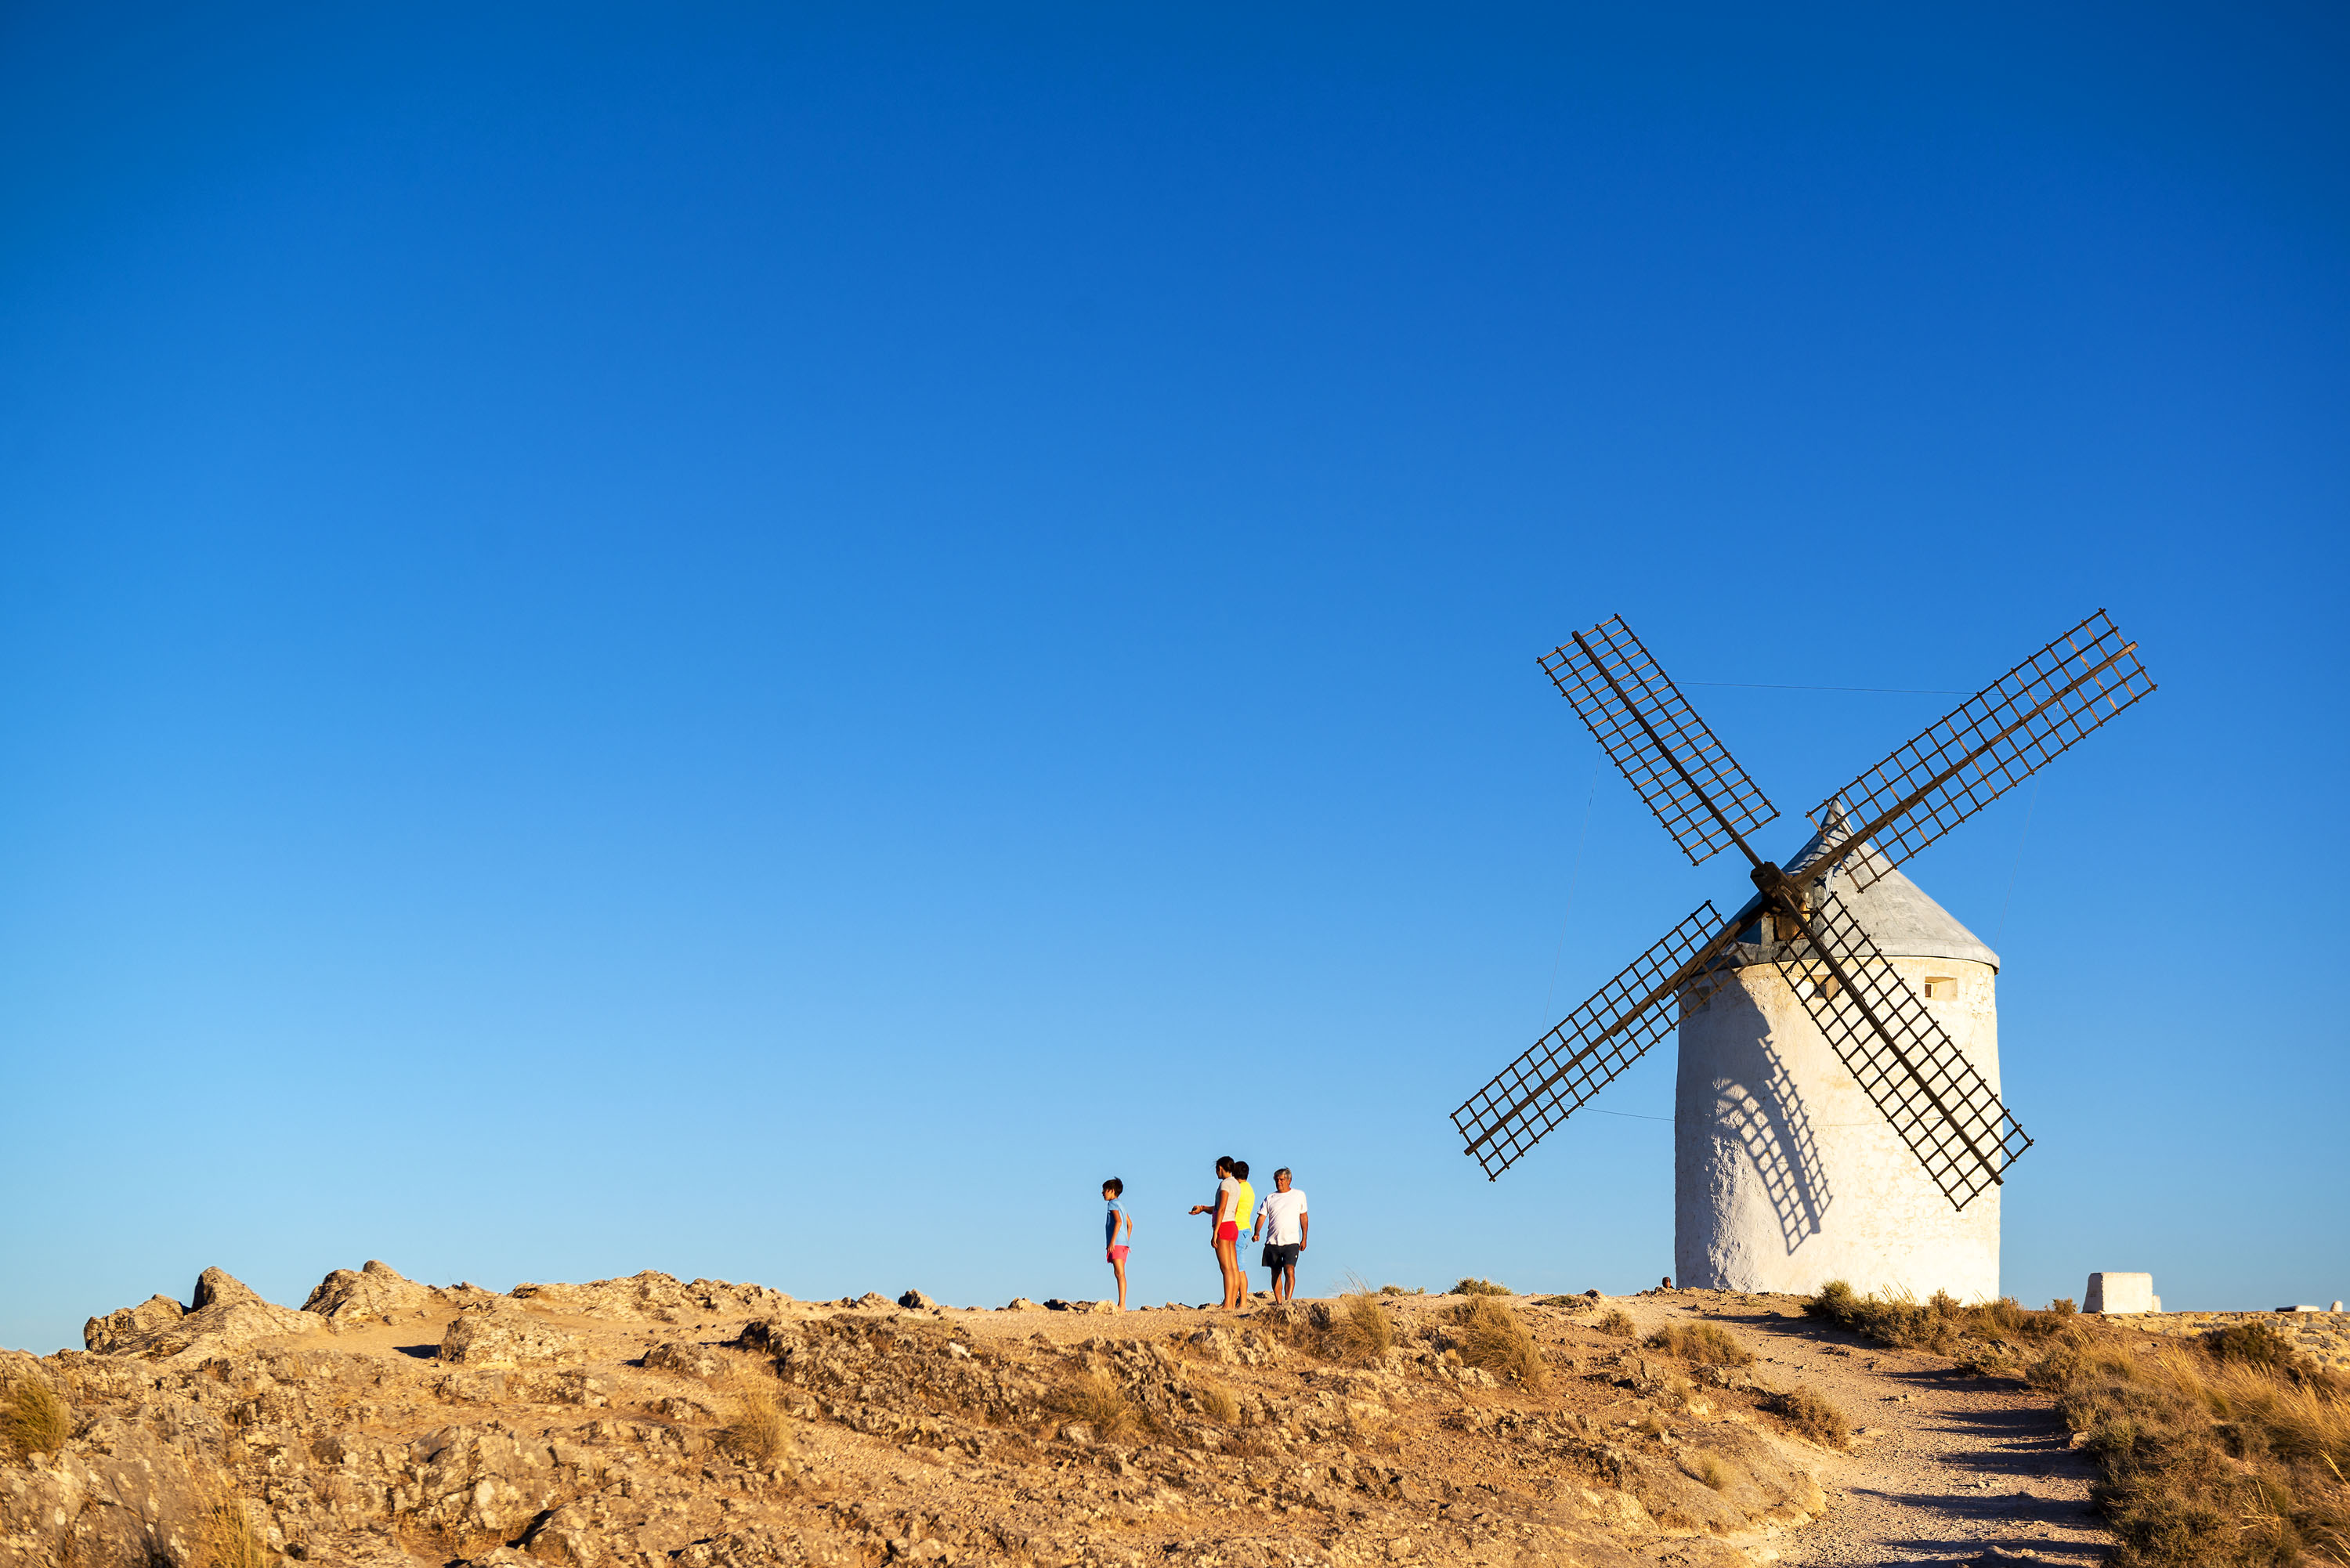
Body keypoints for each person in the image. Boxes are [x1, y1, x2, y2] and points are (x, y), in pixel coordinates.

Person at [1188, 1157, 1242, 1310]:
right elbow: (1228, 1208)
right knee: (1233, 1267)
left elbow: (1222, 1208)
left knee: (1226, 1268)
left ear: (1220, 1168)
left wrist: (1215, 1231)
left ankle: (1229, 1303)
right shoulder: (1236, 1185)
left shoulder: (1225, 1184)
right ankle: (1231, 1302)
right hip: (1232, 1224)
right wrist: (1204, 1208)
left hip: (1224, 1226)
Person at [1252, 1167, 1309, 1302]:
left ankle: (1288, 1300)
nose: (1279, 1182)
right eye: (1277, 1180)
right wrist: (1257, 1232)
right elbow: (1261, 1217)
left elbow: (1304, 1218)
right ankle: (1279, 1302)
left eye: (1282, 1179)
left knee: (1290, 1270)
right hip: (1273, 1242)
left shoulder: (1299, 1195)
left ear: (1289, 1180)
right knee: (1275, 1273)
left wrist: (1305, 1238)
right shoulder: (1270, 1198)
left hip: (1292, 1241)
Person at [1228, 1162, 1257, 1300]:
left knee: (1238, 1268)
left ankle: (1242, 1301)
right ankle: (1239, 1300)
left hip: (1238, 1230)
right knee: (1239, 1267)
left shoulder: (1239, 1189)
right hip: (1245, 1229)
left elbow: (1229, 1208)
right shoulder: (1249, 1189)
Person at [1102, 1178, 1132, 1312]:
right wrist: (1126, 1240)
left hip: (1118, 1244)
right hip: (1123, 1244)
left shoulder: (1113, 1204)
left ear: (1112, 1191)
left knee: (1119, 1273)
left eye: (1105, 1190)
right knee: (1119, 1273)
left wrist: (1113, 1241)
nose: (1103, 1193)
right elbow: (1130, 1225)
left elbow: (1119, 1222)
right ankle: (1122, 1304)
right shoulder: (1121, 1204)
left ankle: (1122, 1305)